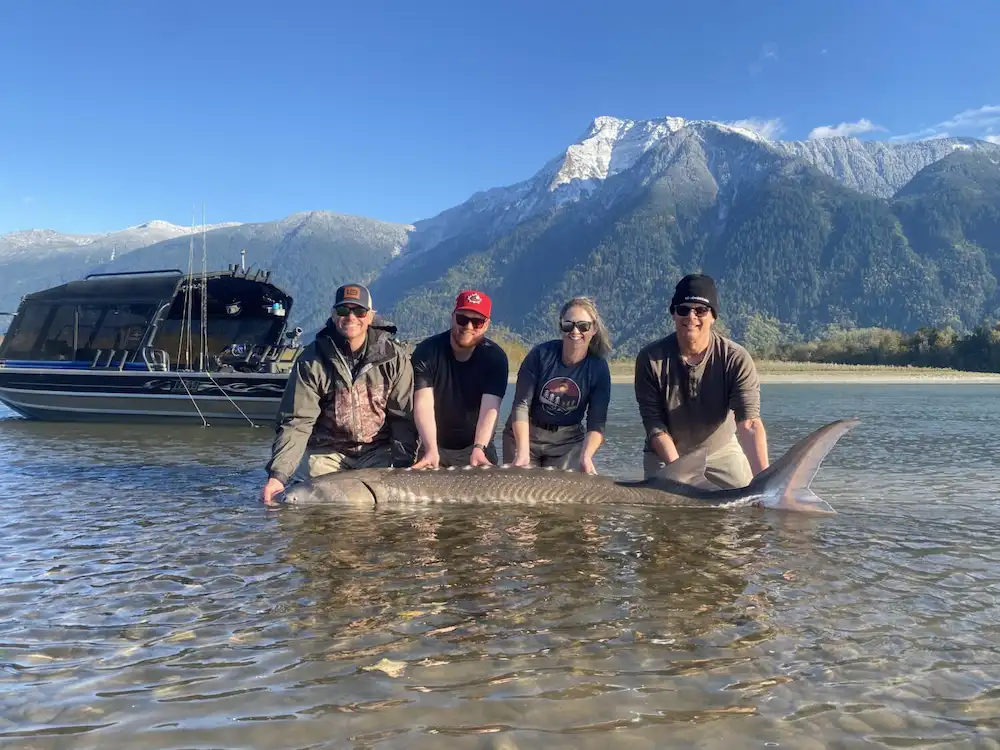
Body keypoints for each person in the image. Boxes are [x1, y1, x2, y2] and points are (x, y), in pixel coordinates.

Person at [260, 282, 416, 505]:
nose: (351, 317)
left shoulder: (394, 358)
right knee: (307, 504)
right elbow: (297, 422)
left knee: (386, 509)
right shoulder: (311, 360)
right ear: (334, 316)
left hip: (377, 453)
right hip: (327, 454)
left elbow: (403, 419)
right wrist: (278, 476)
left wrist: (404, 467)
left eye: (359, 311)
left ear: (370, 316)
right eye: (343, 310)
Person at [633, 273, 769, 489]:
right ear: (674, 315)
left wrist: (764, 481)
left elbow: (750, 423)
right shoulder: (650, 358)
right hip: (666, 451)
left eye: (701, 310)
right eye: (683, 309)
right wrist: (680, 471)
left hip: (719, 448)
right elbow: (655, 426)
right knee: (662, 511)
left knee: (751, 501)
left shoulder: (735, 358)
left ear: (713, 316)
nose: (691, 317)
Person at [502, 296, 612, 473]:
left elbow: (596, 422)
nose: (575, 331)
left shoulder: (598, 368)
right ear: (561, 328)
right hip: (526, 434)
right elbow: (521, 405)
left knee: (564, 499)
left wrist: (586, 456)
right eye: (568, 325)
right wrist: (522, 452)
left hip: (567, 441)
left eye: (583, 326)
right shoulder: (540, 355)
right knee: (520, 495)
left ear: (594, 329)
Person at [410, 290, 509, 468]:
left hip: (476, 447)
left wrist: (479, 448)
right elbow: (423, 405)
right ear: (452, 317)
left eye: (477, 322)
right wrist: (431, 449)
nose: (468, 326)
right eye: (463, 319)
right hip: (432, 445)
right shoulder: (426, 352)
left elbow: (490, 408)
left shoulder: (495, 358)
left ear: (486, 325)